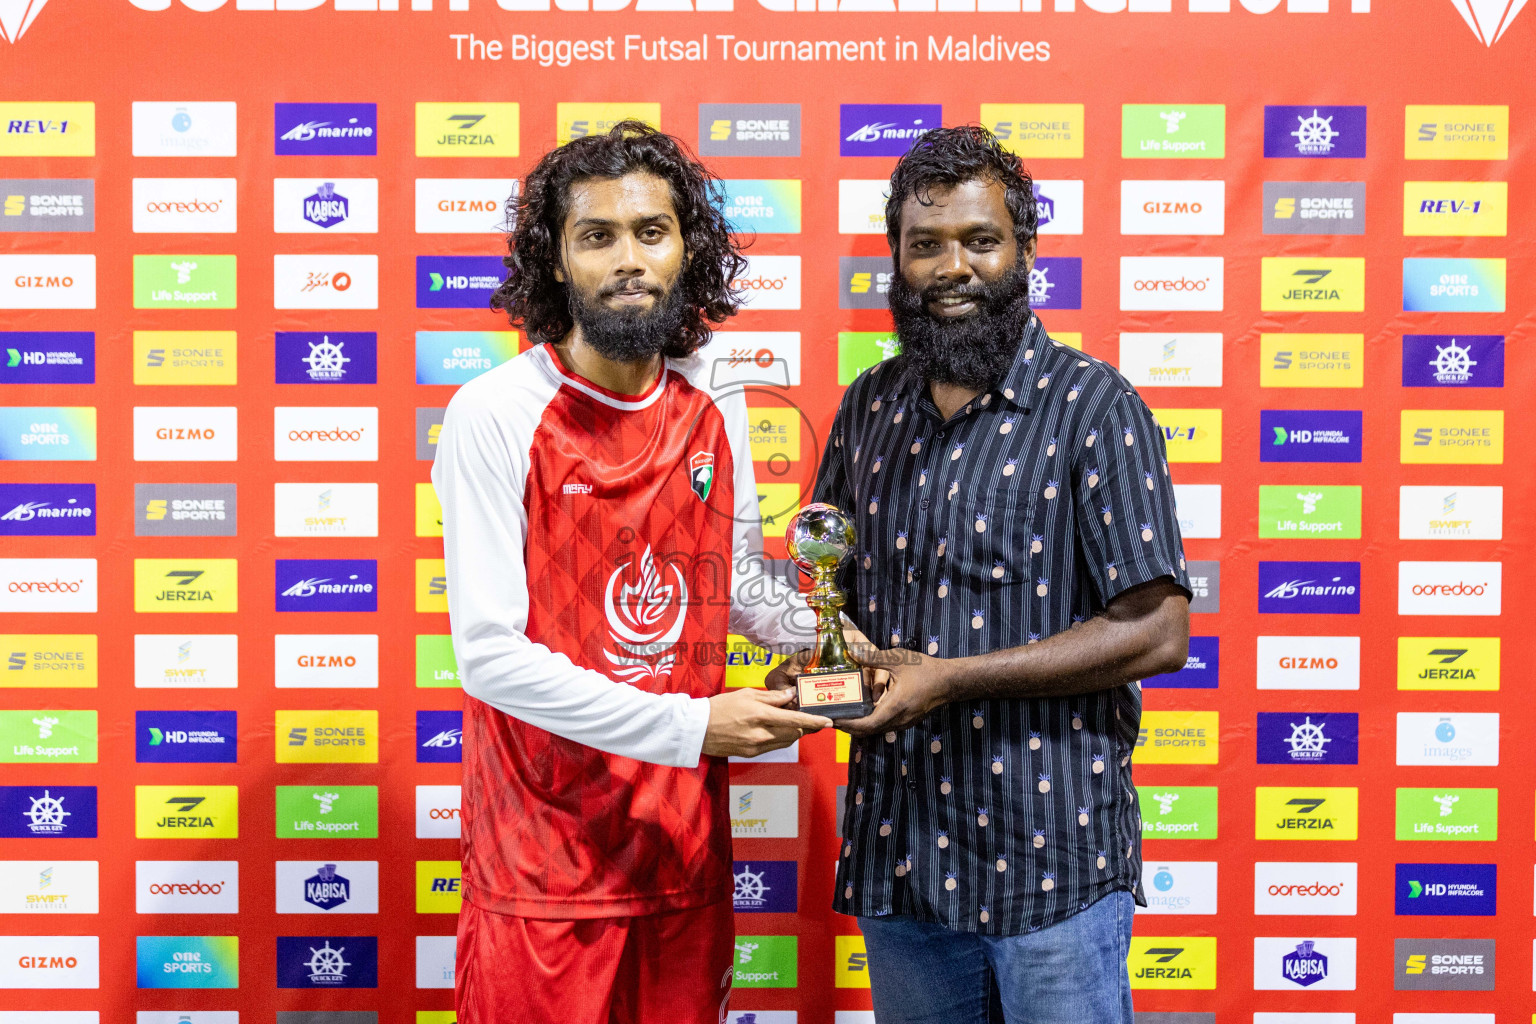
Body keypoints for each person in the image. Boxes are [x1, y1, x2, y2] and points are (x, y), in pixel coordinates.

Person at [769, 125, 1192, 1022]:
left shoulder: (1095, 408)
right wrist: (815, 674)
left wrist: (949, 680)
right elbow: (832, 596)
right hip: (906, 861)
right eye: (925, 246)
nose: (951, 266)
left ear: (1023, 252)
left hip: (1054, 870)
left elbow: (1158, 629)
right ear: (897, 262)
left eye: (979, 240)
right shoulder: (869, 408)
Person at [432, 121, 832, 1023]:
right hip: (543, 874)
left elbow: (733, 595)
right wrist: (695, 725)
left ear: (689, 249)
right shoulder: (494, 413)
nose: (627, 258)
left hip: (681, 860)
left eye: (651, 231)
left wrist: (838, 639)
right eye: (596, 235)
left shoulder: (712, 400)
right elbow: (489, 655)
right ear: (556, 260)